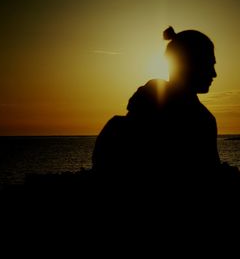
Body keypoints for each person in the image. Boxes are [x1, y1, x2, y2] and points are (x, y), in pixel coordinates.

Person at [92, 26, 226, 187]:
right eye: (209, 64)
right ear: (189, 63)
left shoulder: (141, 106)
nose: (214, 73)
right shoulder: (202, 121)